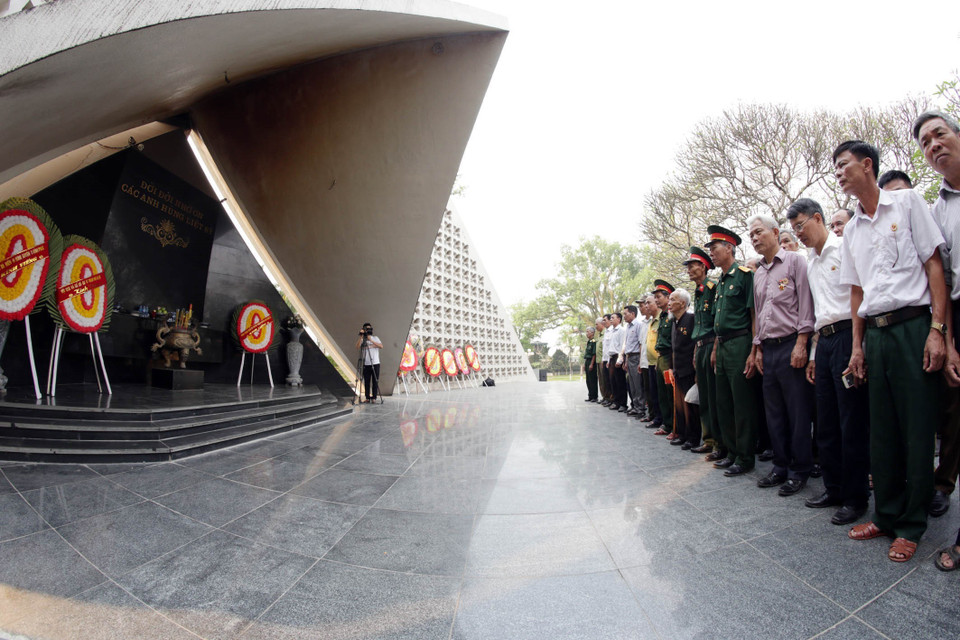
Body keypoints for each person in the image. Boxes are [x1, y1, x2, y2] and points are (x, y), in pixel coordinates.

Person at [835, 139, 948, 563]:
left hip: (913, 328)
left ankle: (912, 524)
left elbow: (933, 264)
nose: (840, 173)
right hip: (876, 337)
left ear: (867, 165)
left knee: (917, 430)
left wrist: (937, 330)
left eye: (844, 165)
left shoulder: (907, 203)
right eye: (836, 169)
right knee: (880, 431)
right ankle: (885, 514)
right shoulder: (852, 231)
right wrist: (858, 347)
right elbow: (857, 292)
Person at [787, 198, 871, 525]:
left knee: (851, 420)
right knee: (826, 420)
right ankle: (833, 488)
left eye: (801, 226)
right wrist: (812, 353)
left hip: (850, 334)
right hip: (824, 342)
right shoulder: (810, 260)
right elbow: (817, 311)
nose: (798, 233)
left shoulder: (844, 246)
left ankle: (856, 496)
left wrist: (857, 347)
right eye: (793, 229)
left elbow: (858, 297)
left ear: (818, 218)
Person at [913, 111, 960, 526]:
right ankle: (943, 484)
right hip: (955, 311)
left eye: (939, 135)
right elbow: (939, 275)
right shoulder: (937, 210)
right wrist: (945, 334)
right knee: (952, 406)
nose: (934, 146)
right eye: (926, 143)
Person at [747, 214, 816, 497]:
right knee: (773, 412)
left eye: (758, 232)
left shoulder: (796, 262)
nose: (754, 238)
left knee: (797, 412)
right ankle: (780, 466)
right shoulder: (759, 273)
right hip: (769, 348)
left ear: (775, 232)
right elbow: (759, 314)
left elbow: (806, 304)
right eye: (751, 234)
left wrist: (802, 342)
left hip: (792, 345)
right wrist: (758, 348)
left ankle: (800, 470)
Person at [706, 225, 762, 476]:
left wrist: (753, 350)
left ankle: (745, 456)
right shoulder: (719, 283)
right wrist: (716, 348)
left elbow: (753, 314)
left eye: (714, 249)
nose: (712, 254)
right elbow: (719, 321)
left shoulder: (744, 276)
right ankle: (731, 451)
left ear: (729, 248)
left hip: (741, 343)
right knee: (724, 402)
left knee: (742, 403)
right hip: (724, 344)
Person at [684, 247, 722, 458]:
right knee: (704, 396)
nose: (689, 269)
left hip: (711, 345)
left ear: (704, 267)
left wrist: (714, 347)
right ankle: (709, 439)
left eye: (692, 265)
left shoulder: (712, 287)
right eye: (688, 266)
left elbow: (716, 321)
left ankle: (719, 442)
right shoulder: (698, 292)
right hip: (700, 346)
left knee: (714, 396)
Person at [669, 288, 700, 450]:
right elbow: (673, 348)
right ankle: (682, 434)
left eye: (672, 299)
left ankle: (693, 437)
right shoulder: (674, 321)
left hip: (689, 368)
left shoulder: (691, 318)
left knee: (690, 406)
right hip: (678, 368)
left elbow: (695, 344)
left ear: (682, 303)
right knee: (680, 405)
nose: (669, 303)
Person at [652, 281, 676, 436]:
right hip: (660, 358)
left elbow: (674, 341)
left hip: (669, 358)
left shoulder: (672, 315)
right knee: (662, 393)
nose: (656, 300)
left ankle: (675, 427)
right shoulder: (662, 316)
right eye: (655, 297)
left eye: (659, 297)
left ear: (668, 297)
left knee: (670, 393)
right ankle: (667, 424)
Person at [643, 294, 664, 428]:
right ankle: (657, 418)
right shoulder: (652, 321)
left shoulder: (662, 319)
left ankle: (664, 421)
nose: (646, 306)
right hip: (650, 363)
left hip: (659, 362)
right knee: (654, 393)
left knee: (662, 394)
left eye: (649, 303)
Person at [355, 322, 383, 402]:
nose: (368, 330)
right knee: (366, 381)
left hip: (375, 363)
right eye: (367, 329)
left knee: (375, 381)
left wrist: (371, 340)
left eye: (369, 328)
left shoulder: (375, 338)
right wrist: (361, 337)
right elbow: (357, 347)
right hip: (366, 363)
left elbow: (381, 346)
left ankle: (374, 398)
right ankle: (367, 397)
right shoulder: (363, 340)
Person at [607, 312, 627, 412]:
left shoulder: (622, 330)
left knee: (620, 381)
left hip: (618, 357)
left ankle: (623, 403)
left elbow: (622, 345)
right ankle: (616, 401)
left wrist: (620, 359)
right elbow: (610, 346)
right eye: (610, 318)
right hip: (611, 357)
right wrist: (608, 359)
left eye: (613, 318)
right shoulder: (611, 331)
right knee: (613, 381)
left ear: (619, 319)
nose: (611, 319)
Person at [584, 326, 598, 402]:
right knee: (588, 380)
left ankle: (594, 397)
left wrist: (591, 364)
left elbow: (594, 354)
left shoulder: (593, 341)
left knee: (592, 380)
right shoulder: (589, 342)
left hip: (591, 361)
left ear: (592, 333)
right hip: (587, 361)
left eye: (588, 331)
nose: (586, 333)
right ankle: (590, 396)